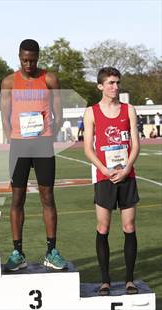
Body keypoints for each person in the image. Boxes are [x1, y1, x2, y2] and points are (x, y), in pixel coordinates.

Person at [0, 39, 67, 271]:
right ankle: (17, 252)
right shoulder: (9, 81)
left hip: (42, 145)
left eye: (32, 60)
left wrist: (48, 135)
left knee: (47, 197)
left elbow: (59, 113)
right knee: (17, 199)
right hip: (19, 146)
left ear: (38, 57)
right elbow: (4, 115)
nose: (28, 64)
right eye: (24, 60)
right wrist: (13, 138)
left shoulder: (49, 79)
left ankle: (52, 251)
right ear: (19, 56)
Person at [83, 67, 140, 296]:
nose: (115, 87)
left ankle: (129, 280)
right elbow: (88, 149)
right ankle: (105, 280)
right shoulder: (91, 112)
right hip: (104, 176)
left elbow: (135, 145)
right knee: (103, 227)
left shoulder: (129, 109)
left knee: (129, 227)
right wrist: (105, 169)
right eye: (110, 83)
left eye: (117, 83)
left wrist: (126, 169)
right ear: (100, 86)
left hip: (127, 175)